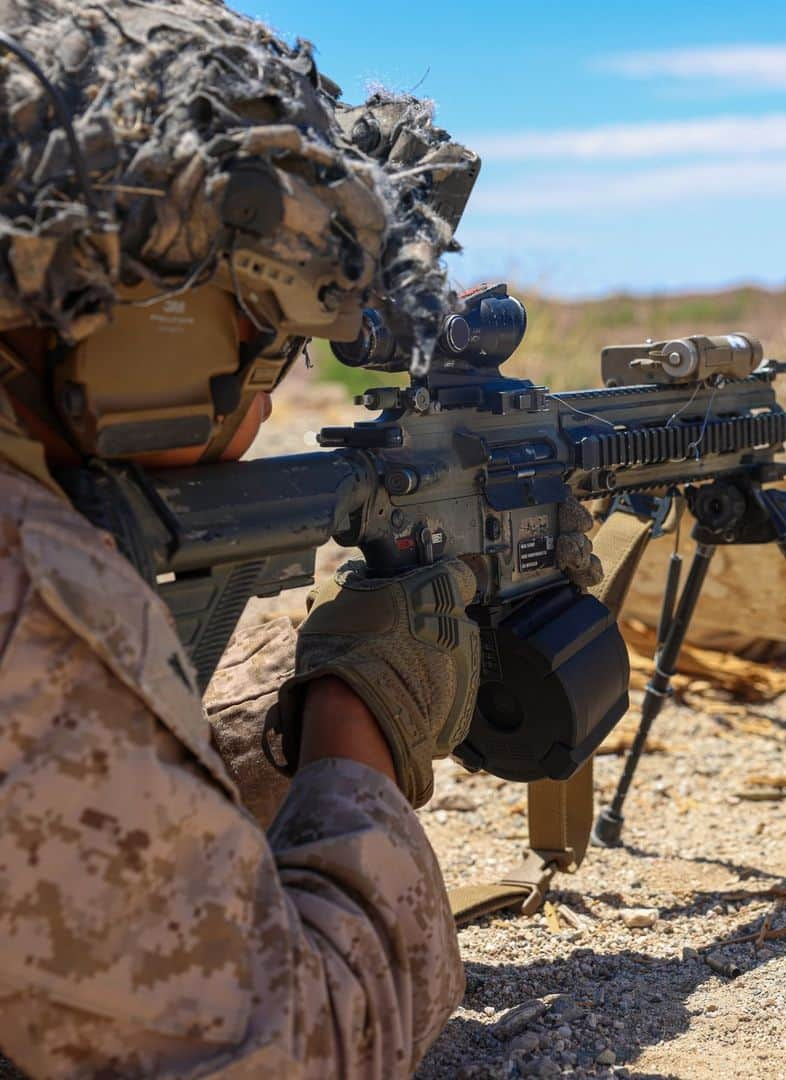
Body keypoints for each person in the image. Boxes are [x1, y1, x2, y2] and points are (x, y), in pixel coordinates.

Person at [0, 0, 523, 1075]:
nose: (269, 386)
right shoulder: (29, 595)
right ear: (146, 338)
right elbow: (289, 1047)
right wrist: (358, 718)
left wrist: (269, 714)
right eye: (265, 337)